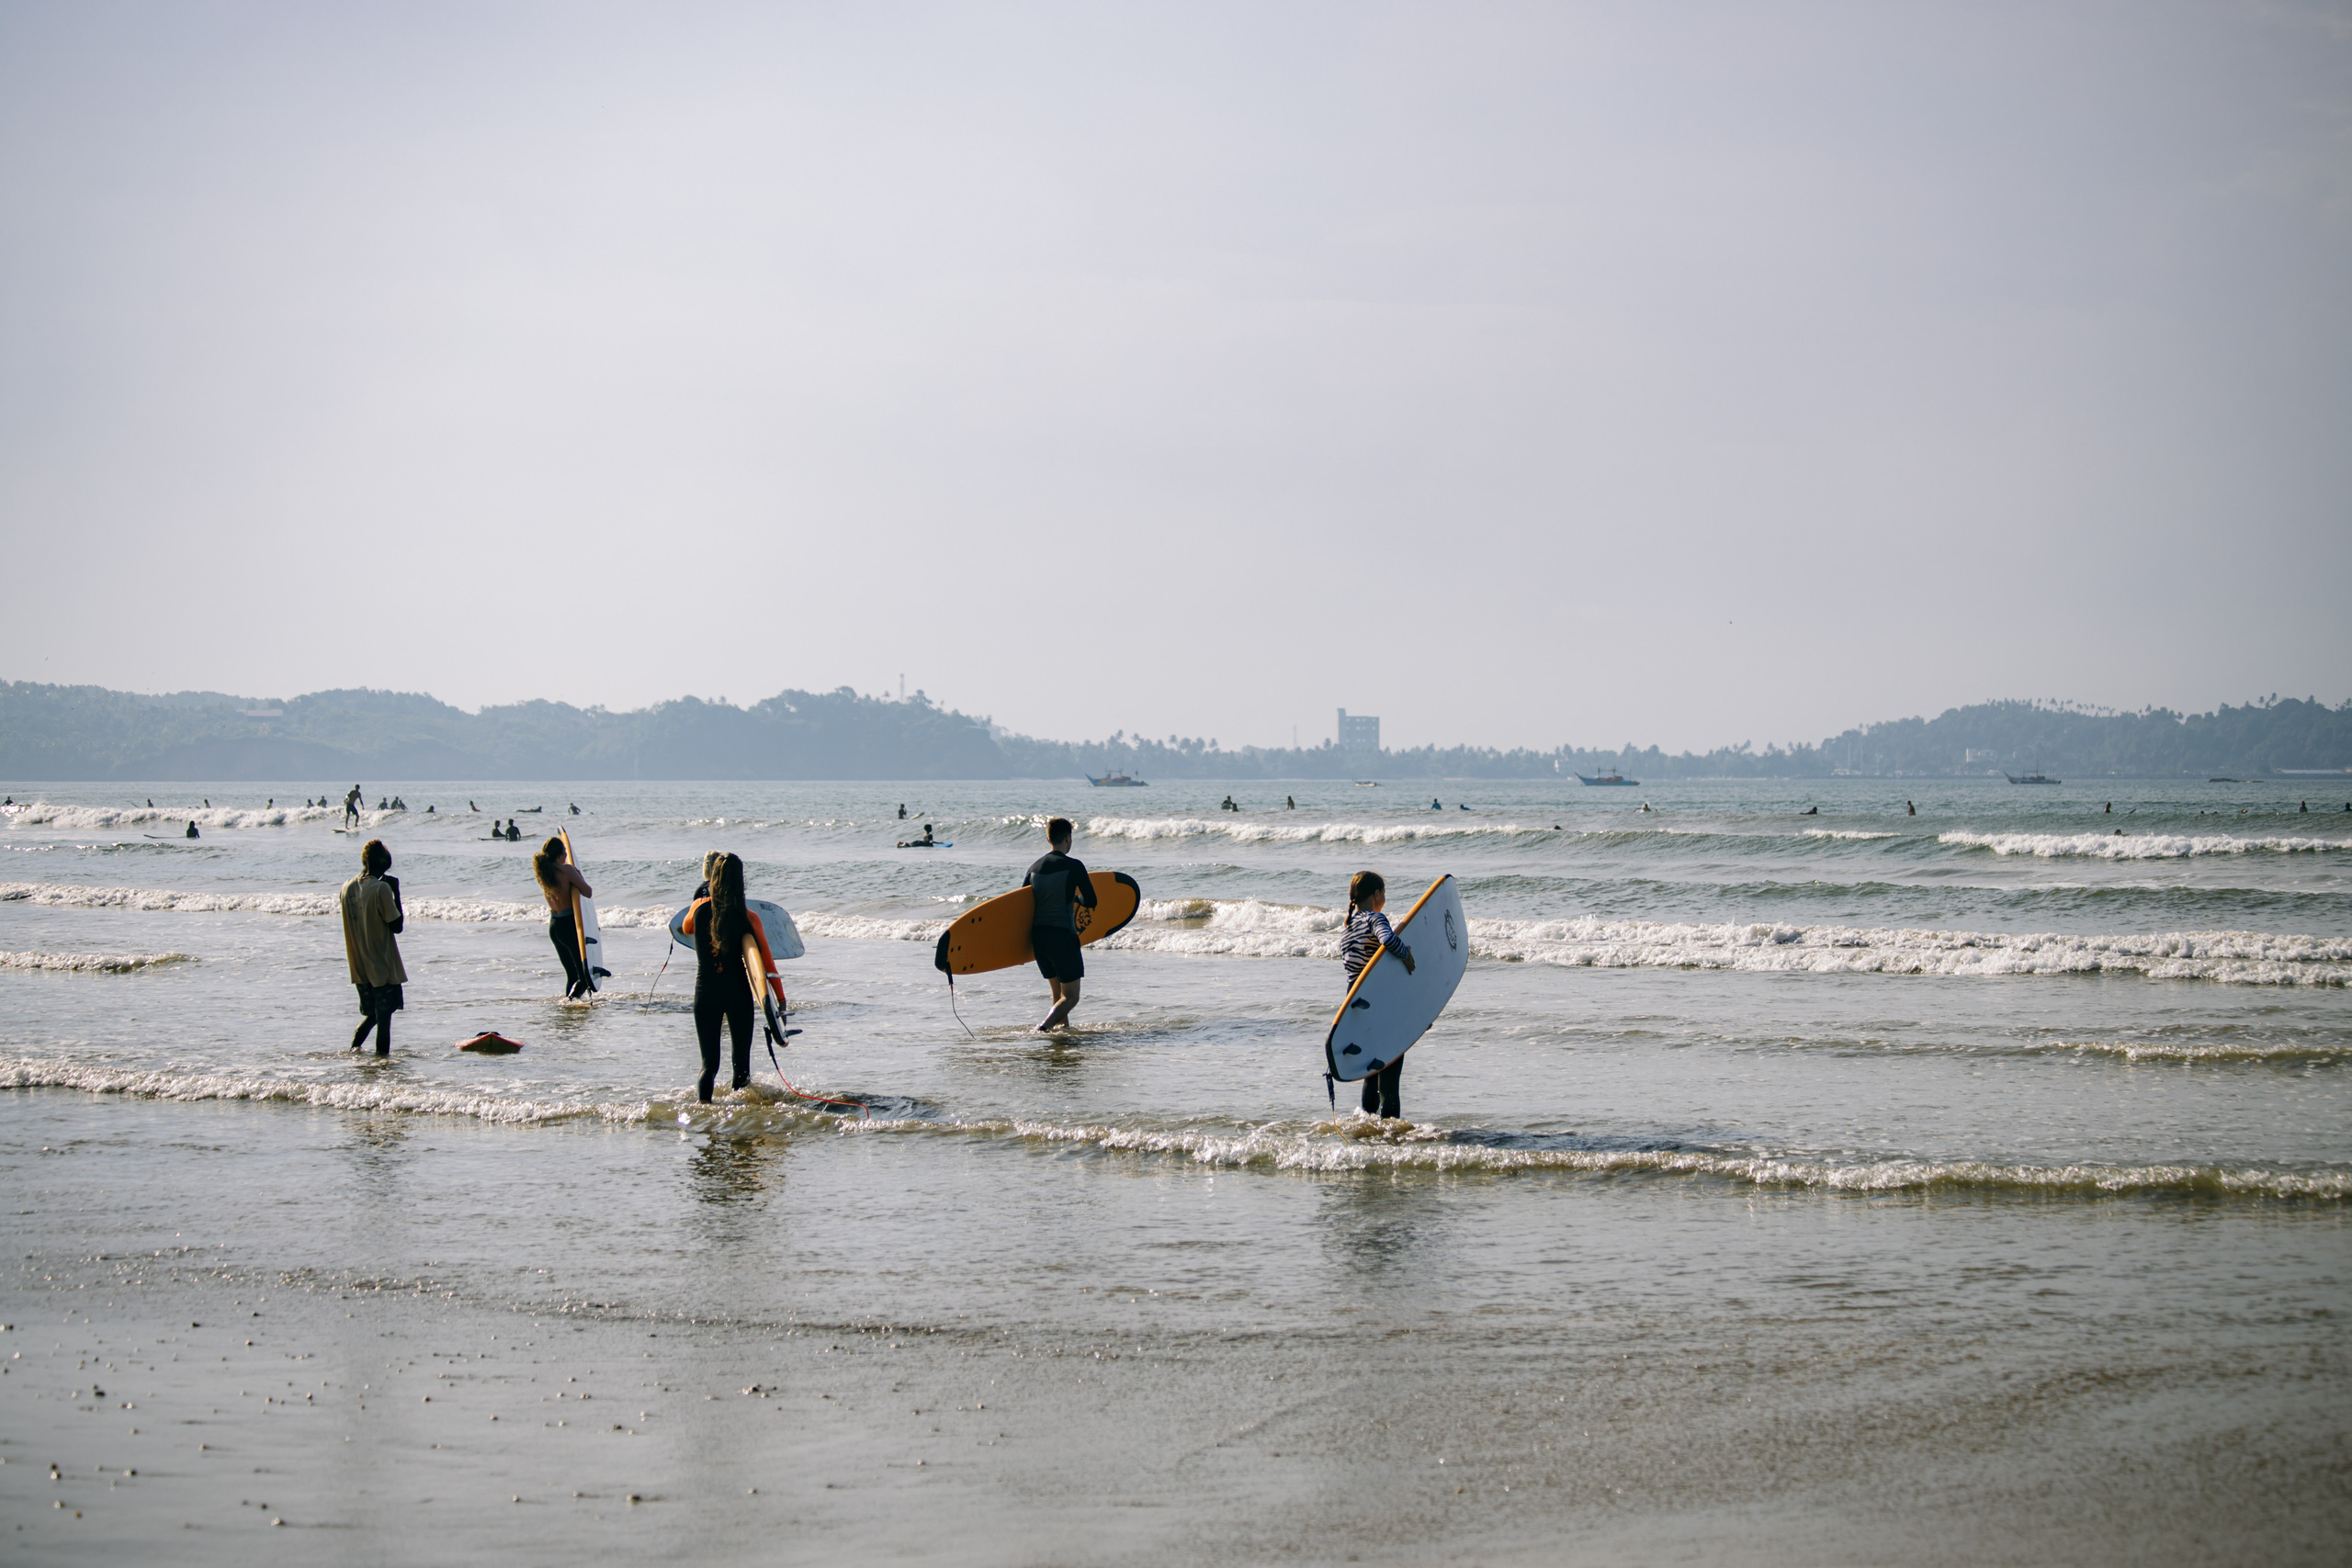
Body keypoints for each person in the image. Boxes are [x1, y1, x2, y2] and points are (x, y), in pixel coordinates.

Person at [1340, 871, 1415, 1120]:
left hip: (1357, 1009)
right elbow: (1388, 941)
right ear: (1376, 895)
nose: (1385, 897)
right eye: (1384, 893)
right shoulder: (1375, 918)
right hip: (1382, 1005)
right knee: (1390, 1084)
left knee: (1370, 1076)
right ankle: (1390, 1139)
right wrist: (1406, 954)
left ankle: (1368, 1129)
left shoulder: (1348, 926)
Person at [688, 852, 759, 1102]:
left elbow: (684, 927)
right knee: (741, 1067)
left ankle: (704, 1117)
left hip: (705, 993)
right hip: (737, 993)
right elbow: (762, 962)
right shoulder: (748, 917)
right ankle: (741, 1122)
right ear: (740, 880)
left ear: (712, 877)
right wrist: (777, 1002)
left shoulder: (698, 908)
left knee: (709, 1066)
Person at [1024, 817, 1097, 1032]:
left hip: (1039, 940)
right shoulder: (1074, 866)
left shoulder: (1033, 868)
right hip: (1063, 937)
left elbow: (1022, 908)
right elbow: (1091, 901)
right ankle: (1043, 1028)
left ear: (1048, 838)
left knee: (1058, 997)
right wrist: (1076, 899)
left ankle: (1061, 1037)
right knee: (1071, 997)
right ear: (1068, 838)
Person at [339, 839, 406, 1055]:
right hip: (382, 964)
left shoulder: (347, 886)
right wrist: (396, 893)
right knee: (384, 1018)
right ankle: (381, 1064)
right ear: (382, 863)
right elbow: (397, 926)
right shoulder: (381, 889)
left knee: (374, 1015)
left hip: (360, 965)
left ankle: (353, 1051)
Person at [533, 836, 595, 999]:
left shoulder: (543, 874)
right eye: (565, 853)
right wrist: (578, 875)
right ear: (560, 855)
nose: (567, 856)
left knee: (572, 975)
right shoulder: (566, 870)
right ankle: (569, 1003)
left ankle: (568, 1012)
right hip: (568, 926)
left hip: (554, 927)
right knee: (583, 977)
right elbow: (587, 892)